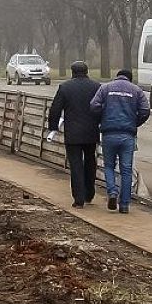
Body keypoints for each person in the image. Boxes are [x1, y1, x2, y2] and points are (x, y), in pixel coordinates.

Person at [89, 68, 150, 214]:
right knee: (126, 170)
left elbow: (94, 106)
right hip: (127, 135)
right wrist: (135, 122)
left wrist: (102, 119)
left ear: (117, 77)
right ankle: (124, 205)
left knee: (109, 166)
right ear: (130, 78)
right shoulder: (136, 91)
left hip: (109, 133)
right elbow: (145, 111)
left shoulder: (105, 88)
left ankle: (112, 192)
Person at [47, 61, 101, 208]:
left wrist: (52, 127)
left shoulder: (65, 87)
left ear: (72, 72)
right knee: (90, 161)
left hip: (73, 133)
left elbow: (55, 109)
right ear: (87, 71)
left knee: (76, 164)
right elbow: (102, 107)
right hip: (91, 131)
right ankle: (89, 193)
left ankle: (79, 198)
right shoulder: (96, 87)